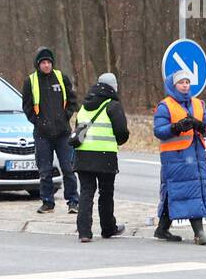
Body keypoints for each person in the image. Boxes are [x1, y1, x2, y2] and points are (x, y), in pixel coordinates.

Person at [153, 68, 206, 246]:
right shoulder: (165, 106)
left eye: (187, 82)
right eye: (181, 83)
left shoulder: (198, 104)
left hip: (196, 155)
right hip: (176, 157)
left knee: (179, 192)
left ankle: (162, 229)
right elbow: (159, 131)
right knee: (186, 191)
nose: (185, 85)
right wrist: (176, 127)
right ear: (173, 85)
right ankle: (199, 233)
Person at [72, 72, 129, 243]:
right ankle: (107, 228)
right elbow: (121, 132)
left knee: (86, 193)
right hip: (105, 157)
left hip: (83, 156)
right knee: (105, 194)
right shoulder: (112, 106)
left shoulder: (84, 106)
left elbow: (78, 129)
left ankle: (84, 232)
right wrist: (118, 140)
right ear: (114, 87)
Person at [22, 47, 79, 214]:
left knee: (68, 169)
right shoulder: (30, 81)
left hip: (63, 133)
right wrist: (38, 122)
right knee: (45, 170)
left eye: (49, 62)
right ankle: (47, 202)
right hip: (42, 134)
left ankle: (73, 201)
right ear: (38, 65)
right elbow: (27, 106)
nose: (46, 65)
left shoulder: (61, 78)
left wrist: (65, 117)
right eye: (43, 63)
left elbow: (72, 100)